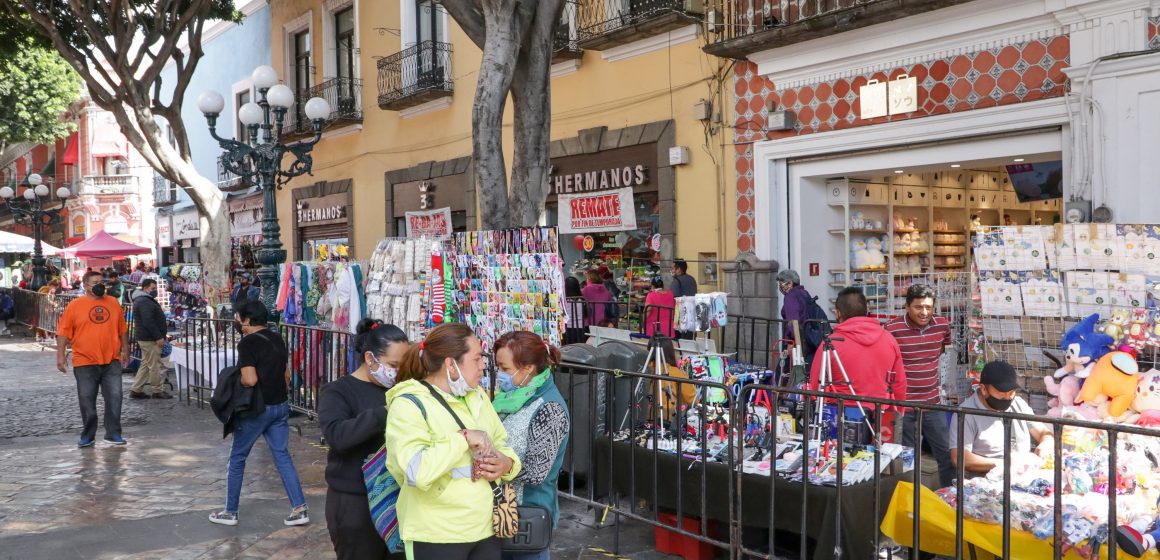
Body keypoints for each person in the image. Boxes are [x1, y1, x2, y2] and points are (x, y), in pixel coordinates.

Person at [385, 323, 521, 560]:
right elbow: (416, 472)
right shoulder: (408, 404)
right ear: (451, 364)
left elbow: (502, 442)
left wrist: (507, 464)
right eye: (477, 358)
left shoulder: (476, 395)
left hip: (486, 529)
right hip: (436, 534)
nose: (483, 366)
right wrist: (463, 438)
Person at [209, 300, 310, 527]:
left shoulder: (247, 344)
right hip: (280, 406)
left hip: (257, 410)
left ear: (247, 320)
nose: (237, 322)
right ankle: (299, 508)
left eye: (238, 318)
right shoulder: (277, 338)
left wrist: (238, 384)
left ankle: (230, 511)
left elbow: (250, 379)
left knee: (237, 458)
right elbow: (286, 375)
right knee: (282, 456)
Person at [318, 319, 409, 560]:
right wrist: (386, 412)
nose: (399, 373)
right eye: (394, 365)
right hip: (355, 502)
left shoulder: (401, 389)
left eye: (404, 366)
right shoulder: (338, 391)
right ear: (370, 359)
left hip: (398, 499)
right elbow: (338, 436)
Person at [491, 331, 571, 560]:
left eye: (505, 369)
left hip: (527, 514)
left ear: (527, 368)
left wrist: (502, 464)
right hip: (502, 512)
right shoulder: (512, 397)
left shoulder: (549, 408)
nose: (500, 375)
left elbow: (537, 471)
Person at [885, 284, 955, 488]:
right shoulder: (892, 329)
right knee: (907, 458)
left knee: (946, 454)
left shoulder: (942, 325)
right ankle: (910, 499)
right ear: (907, 306)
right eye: (918, 307)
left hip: (933, 404)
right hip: (904, 406)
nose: (924, 312)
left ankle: (947, 499)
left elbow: (943, 348)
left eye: (928, 307)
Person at [56, 271, 131, 447]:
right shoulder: (75, 305)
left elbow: (122, 329)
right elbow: (63, 332)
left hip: (111, 360)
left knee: (115, 397)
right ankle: (88, 435)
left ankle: (113, 434)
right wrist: (60, 355)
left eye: (102, 282)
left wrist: (125, 349)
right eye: (95, 282)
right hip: (84, 361)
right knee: (86, 399)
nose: (100, 285)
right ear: (85, 285)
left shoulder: (112, 302)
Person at [948, 361, 1054, 478]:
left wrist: (1045, 445)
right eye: (1002, 393)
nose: (1008, 397)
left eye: (1012, 392)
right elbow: (958, 457)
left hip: (1023, 474)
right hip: (986, 481)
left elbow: (1044, 433)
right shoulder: (966, 413)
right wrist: (1006, 464)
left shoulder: (1018, 403)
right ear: (983, 389)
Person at [807, 287, 906, 408]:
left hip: (841, 416)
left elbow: (815, 385)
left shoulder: (830, 343)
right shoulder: (889, 340)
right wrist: (898, 415)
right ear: (867, 311)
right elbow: (899, 384)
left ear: (837, 313)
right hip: (881, 415)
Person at [129, 279, 170, 399]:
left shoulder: (143, 300)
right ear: (145, 288)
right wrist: (158, 337)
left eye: (155, 288)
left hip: (146, 337)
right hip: (149, 338)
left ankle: (136, 389)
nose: (155, 290)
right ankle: (158, 390)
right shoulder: (144, 301)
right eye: (153, 288)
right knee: (154, 365)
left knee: (146, 364)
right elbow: (148, 321)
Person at [647, 337, 697, 421]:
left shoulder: (644, 369)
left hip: (646, 417)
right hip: (667, 419)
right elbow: (693, 400)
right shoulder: (677, 374)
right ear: (670, 351)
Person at [777, 269, 817, 361]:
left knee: (785, 370)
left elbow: (793, 320)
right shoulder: (804, 293)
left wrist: (791, 342)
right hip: (807, 338)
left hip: (796, 341)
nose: (780, 286)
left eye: (781, 283)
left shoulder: (790, 296)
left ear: (790, 283)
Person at [671, 259, 697, 339]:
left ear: (678, 269)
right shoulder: (692, 279)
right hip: (692, 314)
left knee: (679, 340)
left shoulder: (676, 281)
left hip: (680, 316)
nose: (671, 271)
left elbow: (674, 299)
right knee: (689, 340)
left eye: (673, 268)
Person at [563, 276, 586, 345]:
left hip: (567, 328)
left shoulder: (564, 301)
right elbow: (586, 314)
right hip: (580, 327)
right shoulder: (582, 300)